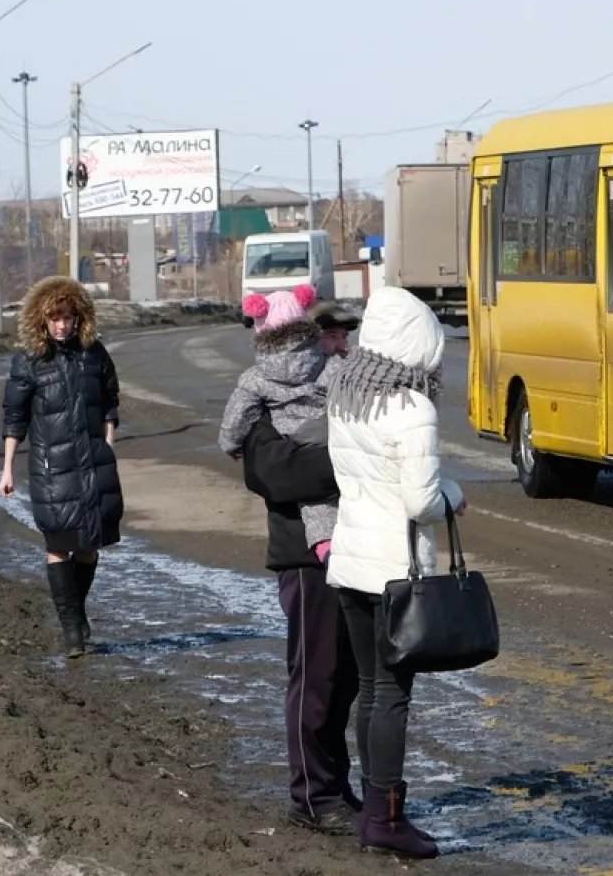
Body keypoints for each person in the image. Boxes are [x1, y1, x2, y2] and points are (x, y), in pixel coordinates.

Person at [324, 286, 464, 860]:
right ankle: (385, 819)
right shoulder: (412, 409)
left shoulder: (346, 396)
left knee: (368, 690)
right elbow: (421, 500)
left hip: (351, 563)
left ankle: (372, 809)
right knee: (392, 696)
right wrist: (455, 494)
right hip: (394, 572)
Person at [237, 300, 365, 836]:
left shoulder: (341, 391)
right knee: (315, 677)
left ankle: (334, 782)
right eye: (331, 338)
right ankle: (311, 796)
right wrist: (353, 459)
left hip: (358, 550)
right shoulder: (267, 405)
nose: (340, 348)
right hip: (304, 558)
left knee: (348, 680)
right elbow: (275, 473)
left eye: (343, 339)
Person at [0, 275, 124, 659]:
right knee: (58, 546)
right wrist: (7, 469)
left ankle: (77, 611)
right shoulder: (29, 362)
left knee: (88, 549)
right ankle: (72, 631)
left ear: (78, 317)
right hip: (52, 470)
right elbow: (14, 416)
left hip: (92, 466)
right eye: (54, 317)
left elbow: (110, 400)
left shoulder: (94, 353)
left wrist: (108, 444)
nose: (61, 325)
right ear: (42, 318)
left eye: (67, 317)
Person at [219, 284, 339, 554]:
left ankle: (325, 547)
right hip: (326, 437)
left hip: (289, 442)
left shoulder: (256, 377)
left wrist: (230, 444)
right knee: (329, 497)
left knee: (310, 499)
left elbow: (237, 416)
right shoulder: (327, 362)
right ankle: (334, 547)